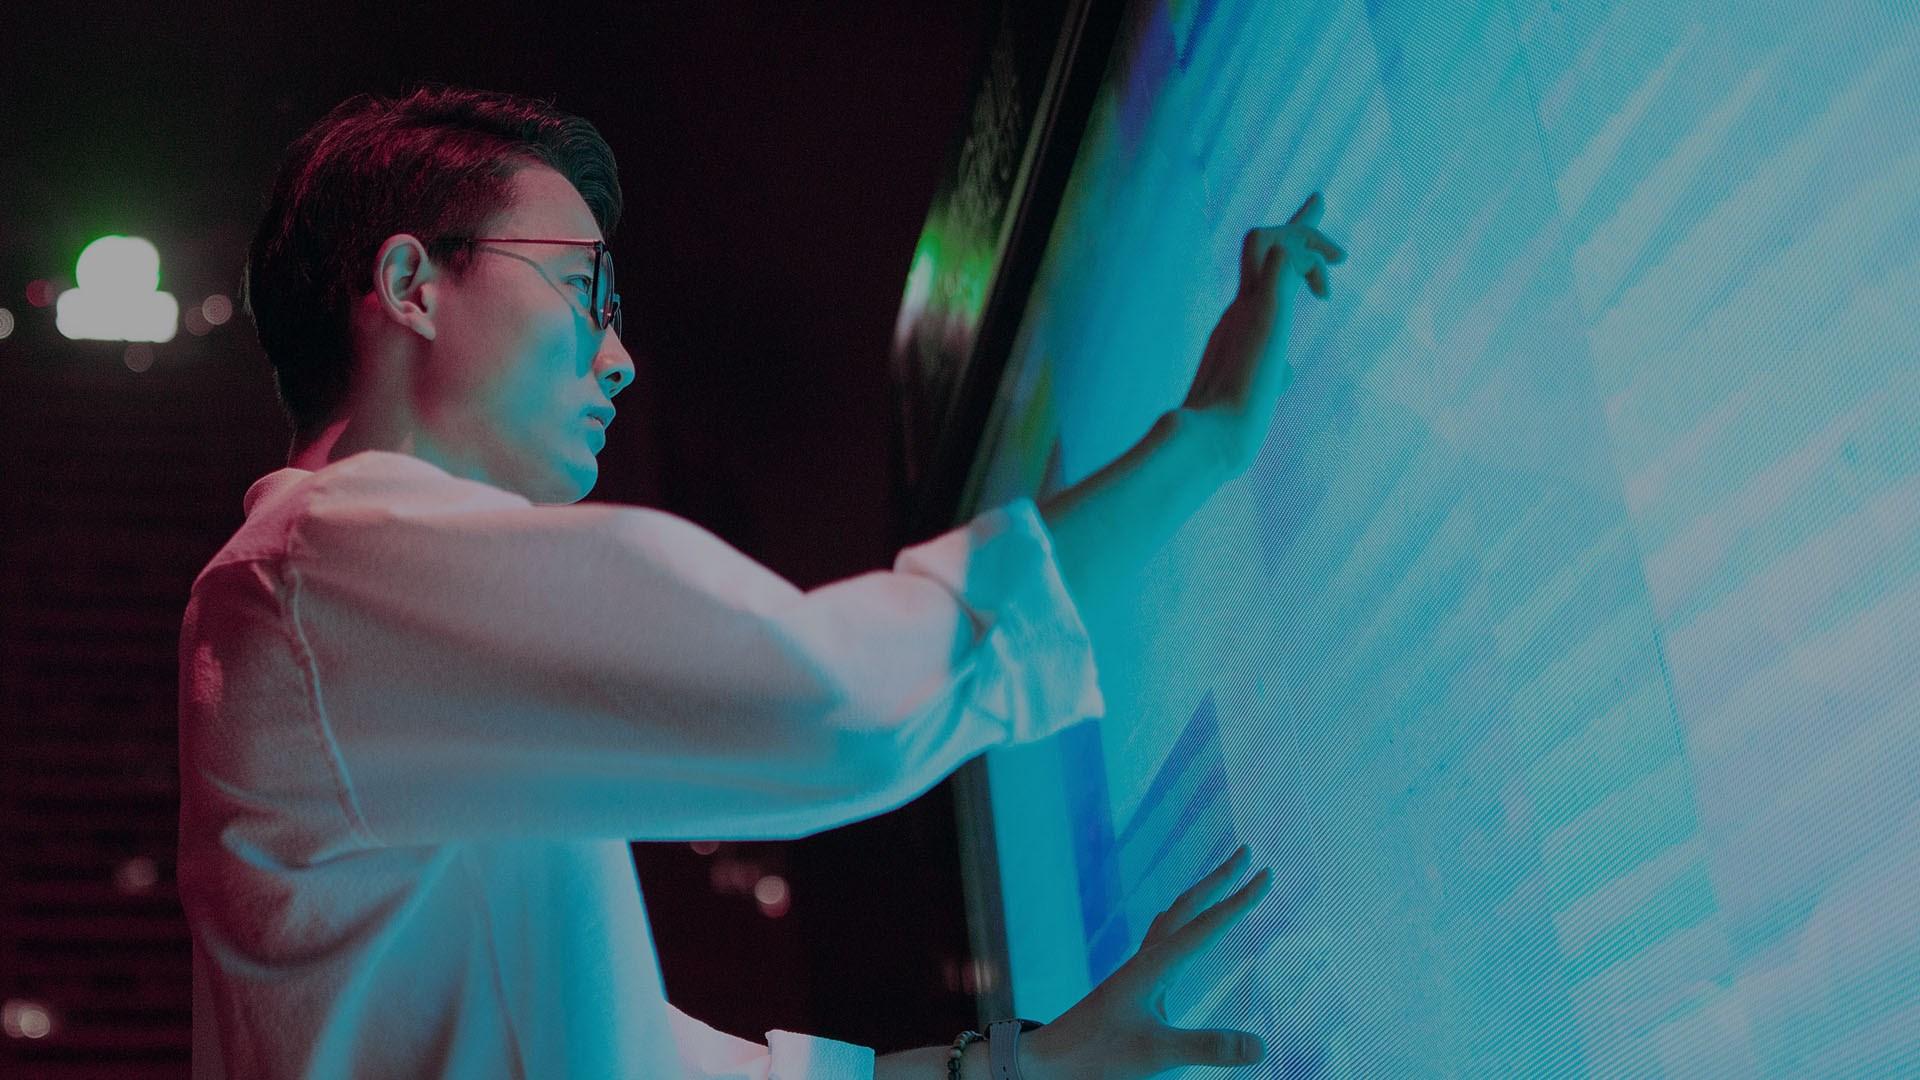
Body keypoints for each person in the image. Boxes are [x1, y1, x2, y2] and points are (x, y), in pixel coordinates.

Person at [177, 82, 1345, 1079]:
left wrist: (1020, 1064)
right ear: (412, 283)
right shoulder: (329, 571)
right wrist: (1204, 439)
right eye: (585, 288)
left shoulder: (333, 612)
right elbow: (830, 696)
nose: (620, 358)